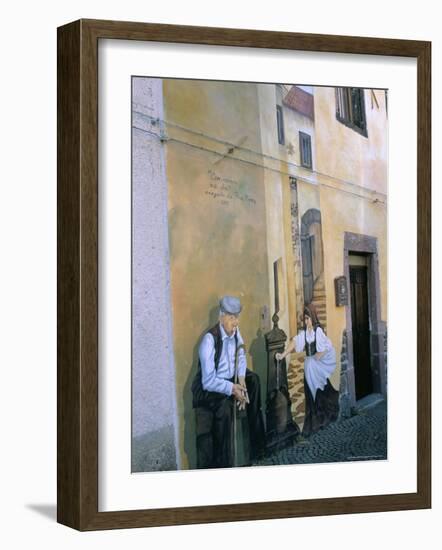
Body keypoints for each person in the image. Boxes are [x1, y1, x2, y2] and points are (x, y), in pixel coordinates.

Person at [191, 296, 266, 468]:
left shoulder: (234, 332)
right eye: (232, 317)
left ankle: (256, 449)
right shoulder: (209, 340)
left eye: (237, 317)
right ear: (221, 317)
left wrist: (242, 382)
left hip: (232, 379)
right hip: (210, 387)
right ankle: (226, 464)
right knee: (224, 408)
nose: (236, 322)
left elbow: (241, 354)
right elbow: (208, 381)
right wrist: (233, 389)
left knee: (254, 381)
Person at [276, 303, 339, 437]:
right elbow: (294, 343)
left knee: (320, 392)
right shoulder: (304, 334)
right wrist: (283, 354)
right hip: (308, 367)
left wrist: (317, 357)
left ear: (313, 318)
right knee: (309, 394)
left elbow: (326, 346)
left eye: (308, 318)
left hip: (316, 366)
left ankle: (322, 419)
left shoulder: (318, 331)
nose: (306, 321)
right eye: (304, 319)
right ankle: (312, 424)